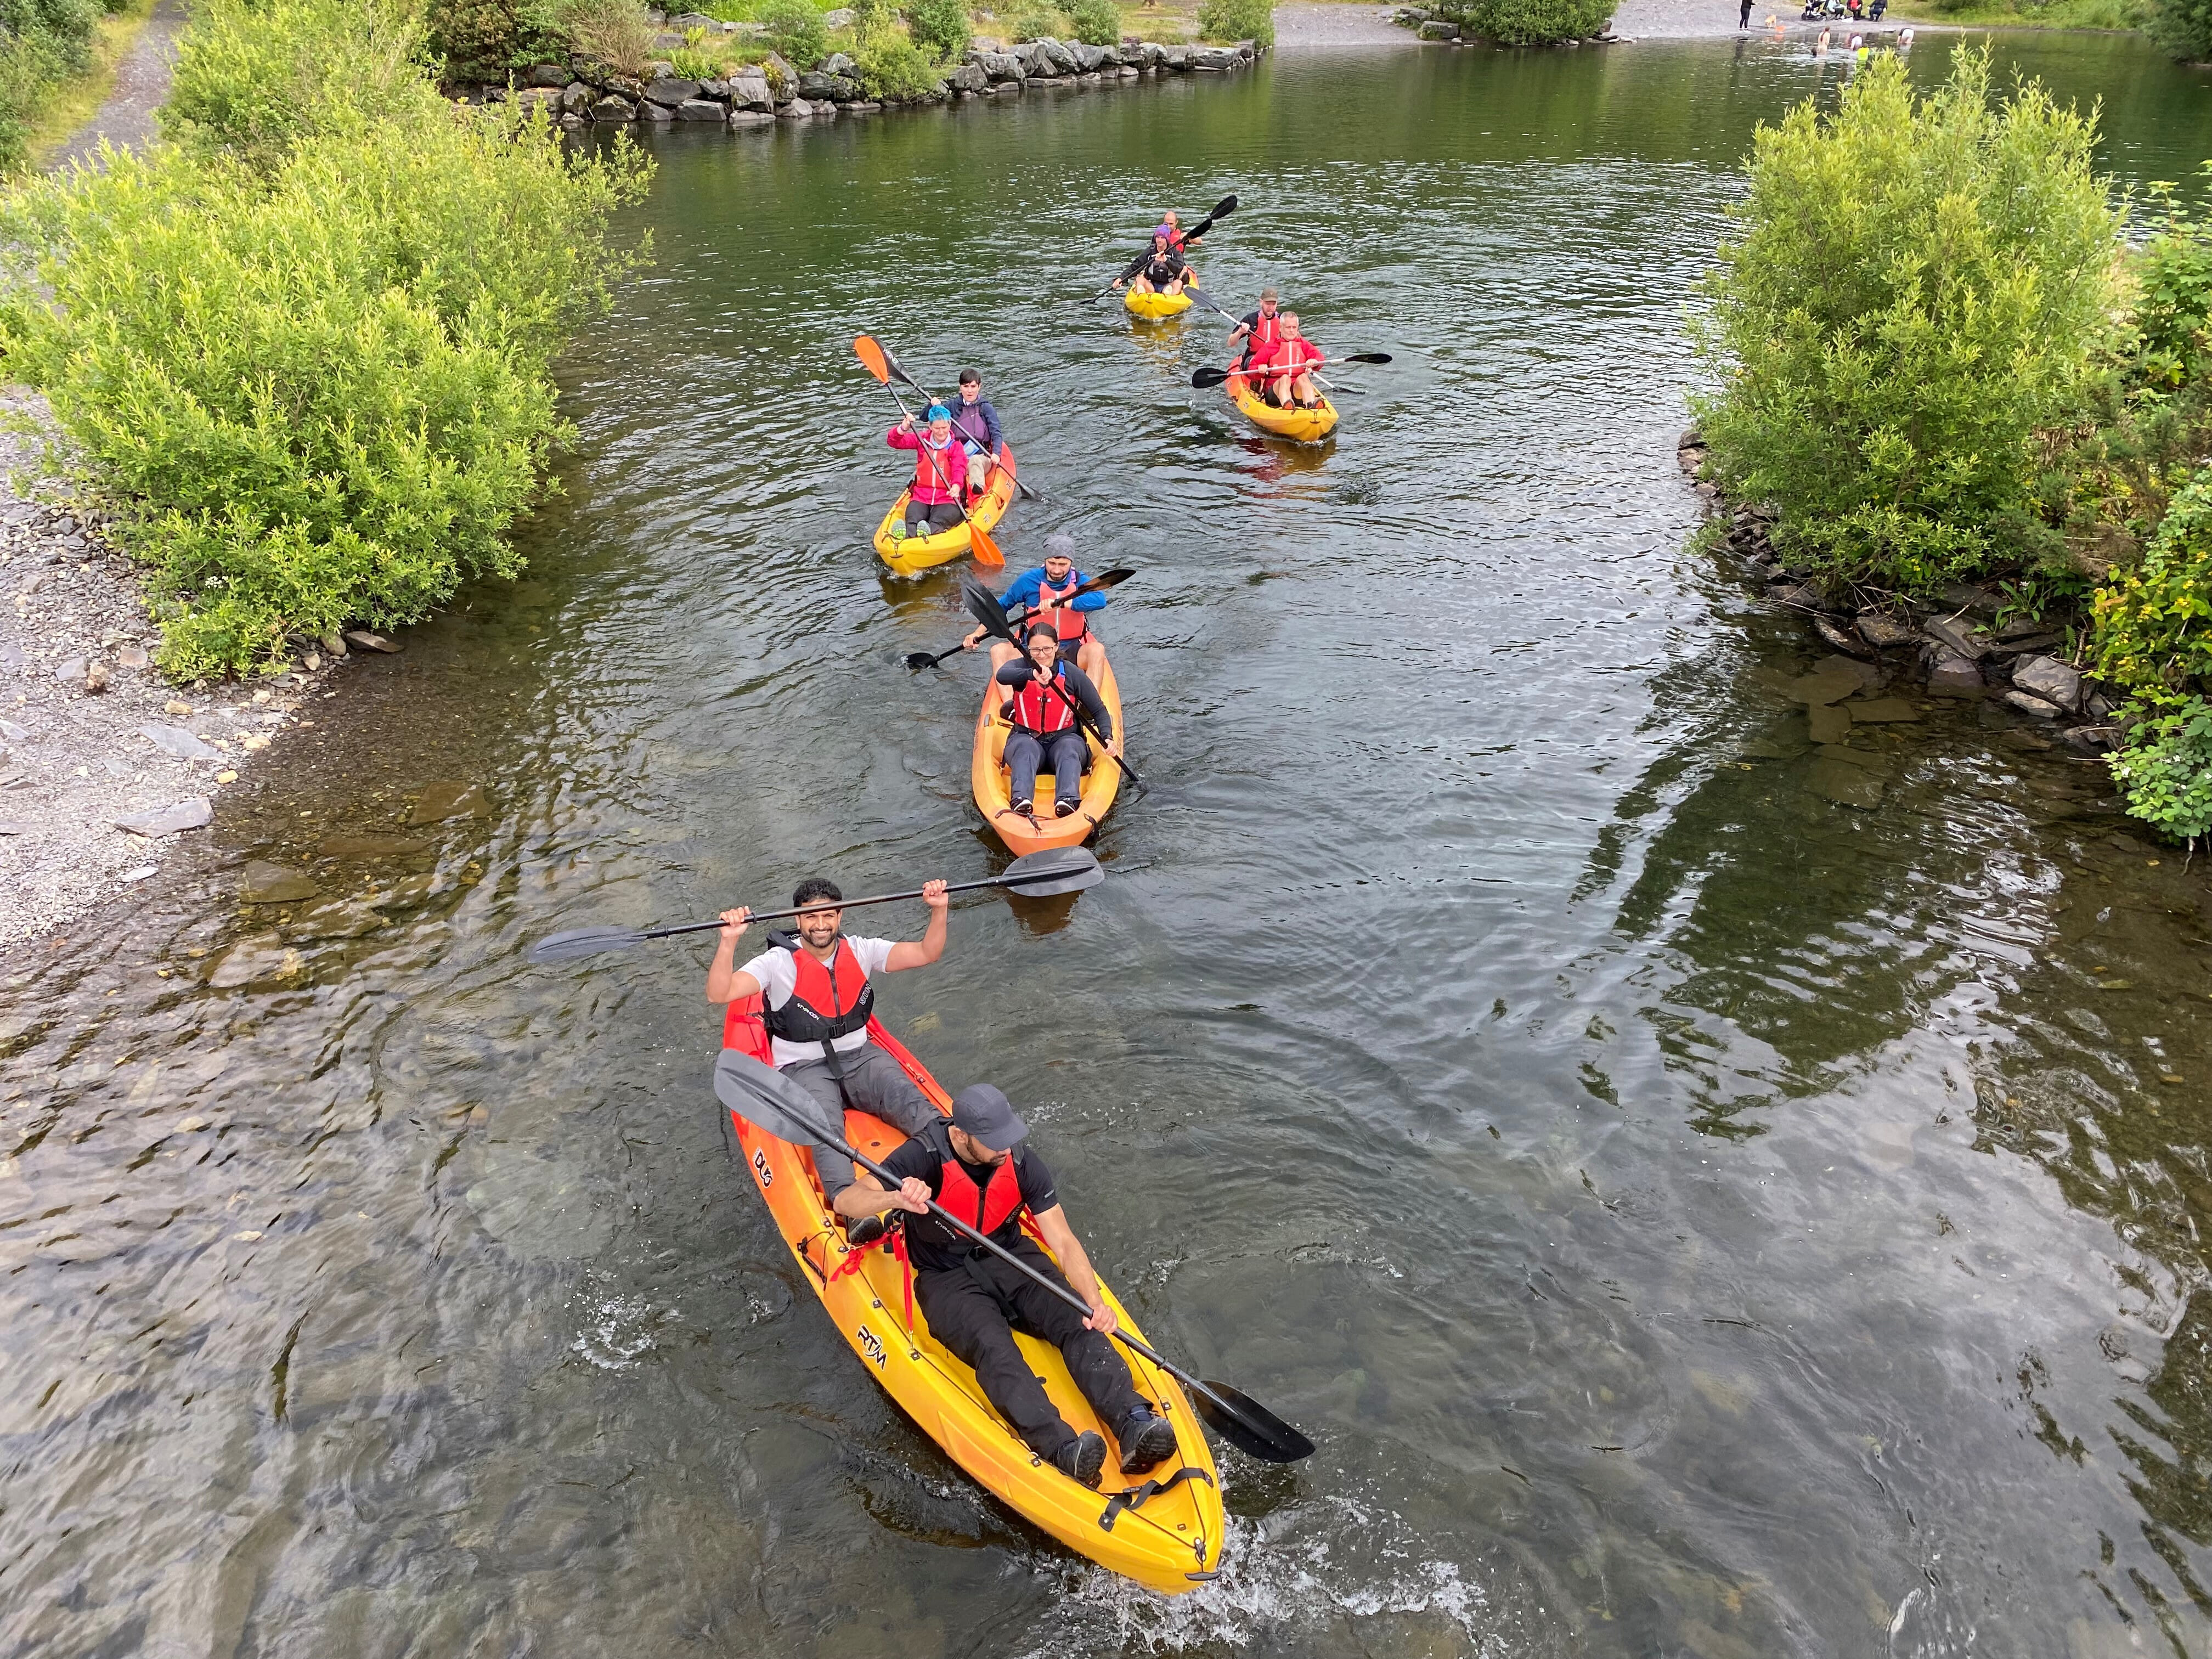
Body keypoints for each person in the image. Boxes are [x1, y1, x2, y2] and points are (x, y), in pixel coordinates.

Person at [845, 1081, 1182, 1488]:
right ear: (961, 1134)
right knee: (994, 1348)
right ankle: (1062, 1449)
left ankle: (1134, 1421)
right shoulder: (925, 1154)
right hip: (945, 1277)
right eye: (993, 1141)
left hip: (1010, 1255)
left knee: (1079, 1320)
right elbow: (849, 1201)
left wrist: (1095, 1303)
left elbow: (1062, 1240)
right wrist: (894, 1198)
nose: (1004, 1148)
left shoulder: (1021, 1162)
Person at [708, 876, 951, 1243]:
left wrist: (940, 910)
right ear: (799, 920)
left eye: (828, 916)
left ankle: (951, 1167)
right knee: (826, 1131)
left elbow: (926, 953)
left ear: (840, 916)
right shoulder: (776, 963)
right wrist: (729, 942)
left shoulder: (863, 949)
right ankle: (852, 1208)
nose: (820, 924)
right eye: (810, 917)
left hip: (861, 1056)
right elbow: (720, 992)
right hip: (803, 1067)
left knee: (917, 1108)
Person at [994, 625, 1117, 820]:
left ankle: (1067, 800)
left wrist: (1108, 737)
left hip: (1064, 741)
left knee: (1069, 746)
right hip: (1028, 739)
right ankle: (1021, 800)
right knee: (1025, 746)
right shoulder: (1021, 667)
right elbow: (1002, 675)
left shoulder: (1071, 673)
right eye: (1035, 650)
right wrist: (1030, 675)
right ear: (1028, 649)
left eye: (1047, 649)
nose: (1041, 655)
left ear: (1056, 646)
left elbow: (1099, 710)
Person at [962, 533, 1108, 680]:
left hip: (1071, 648)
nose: (1057, 570)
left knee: (1097, 650)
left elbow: (1100, 600)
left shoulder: (1080, 581)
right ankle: (1007, 702)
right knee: (998, 651)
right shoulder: (1028, 581)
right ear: (1045, 561)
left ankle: (1091, 702)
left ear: (1071, 562)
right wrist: (977, 633)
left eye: (1063, 565)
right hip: (1032, 650)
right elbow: (1000, 607)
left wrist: (1062, 603)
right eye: (1052, 563)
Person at [887, 405, 968, 540]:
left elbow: (959, 468)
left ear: (950, 424)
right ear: (930, 426)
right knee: (912, 520)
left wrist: (956, 485)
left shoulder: (955, 446)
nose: (941, 432)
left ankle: (929, 536)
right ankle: (908, 539)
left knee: (936, 523)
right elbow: (894, 442)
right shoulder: (922, 440)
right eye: (937, 428)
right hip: (922, 496)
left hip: (947, 498)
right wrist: (903, 428)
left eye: (944, 427)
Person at [947, 369, 1003, 498]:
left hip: (982, 457)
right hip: (958, 456)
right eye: (966, 387)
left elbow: (996, 433)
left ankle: (977, 491)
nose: (970, 391)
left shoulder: (986, 408)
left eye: (973, 387)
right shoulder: (952, 406)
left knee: (975, 460)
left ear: (979, 387)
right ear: (960, 387)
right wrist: (933, 406)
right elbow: (926, 417)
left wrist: (997, 453)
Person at [1257, 312, 1324, 410]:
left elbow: (1320, 358)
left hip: (1297, 392)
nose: (1292, 331)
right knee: (1285, 378)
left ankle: (1311, 406)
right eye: (1288, 327)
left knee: (1303, 377)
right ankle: (1287, 406)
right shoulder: (1270, 347)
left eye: (1294, 327)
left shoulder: (1304, 344)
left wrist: (1315, 361)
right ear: (1280, 328)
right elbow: (1253, 368)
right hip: (1275, 393)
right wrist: (1260, 368)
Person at [1113, 230, 1189, 298]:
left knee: (1179, 283)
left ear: (1167, 239)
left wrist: (1166, 261)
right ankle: (1142, 299)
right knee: (1139, 279)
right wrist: (1121, 278)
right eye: (1158, 237)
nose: (1159, 240)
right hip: (1151, 285)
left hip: (1168, 284)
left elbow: (1179, 269)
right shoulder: (1150, 252)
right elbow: (1135, 266)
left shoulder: (1175, 252)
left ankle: (1170, 299)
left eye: (1162, 238)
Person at [1226, 287, 1283, 375]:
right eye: (1268, 304)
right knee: (1258, 364)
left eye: (1273, 304)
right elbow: (1230, 343)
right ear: (1261, 302)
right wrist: (1240, 332)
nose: (1271, 307)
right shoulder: (1251, 319)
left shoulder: (1282, 320)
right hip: (1253, 358)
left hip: (1274, 359)